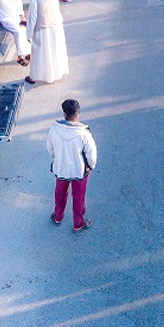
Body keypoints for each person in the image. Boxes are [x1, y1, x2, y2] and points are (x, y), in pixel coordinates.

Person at [47, 99, 98, 233]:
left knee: (60, 194)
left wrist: (55, 162)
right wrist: (91, 166)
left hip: (61, 169)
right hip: (79, 171)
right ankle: (78, 223)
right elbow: (91, 153)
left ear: (64, 114)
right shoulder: (84, 133)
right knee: (78, 197)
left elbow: (50, 149)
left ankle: (58, 217)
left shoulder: (54, 130)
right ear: (78, 114)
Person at [25, 0, 70, 84]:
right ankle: (57, 73)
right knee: (55, 51)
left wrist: (29, 35)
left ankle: (34, 77)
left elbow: (32, 19)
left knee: (41, 55)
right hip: (56, 27)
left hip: (43, 31)